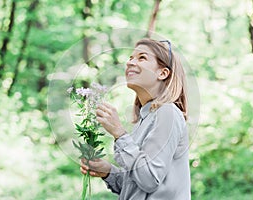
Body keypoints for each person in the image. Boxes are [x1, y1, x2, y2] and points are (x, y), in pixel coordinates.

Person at [80, 38, 191, 200]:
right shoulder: (145, 118)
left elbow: (149, 179)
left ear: (163, 73)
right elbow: (137, 187)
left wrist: (120, 134)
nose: (130, 62)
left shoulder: (168, 113)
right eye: (131, 58)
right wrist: (109, 172)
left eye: (142, 58)